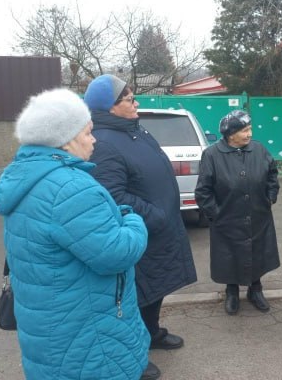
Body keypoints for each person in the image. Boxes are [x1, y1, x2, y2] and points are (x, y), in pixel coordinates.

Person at [0, 88, 150, 380]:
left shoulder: (25, 176)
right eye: (88, 132)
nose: (94, 139)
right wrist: (132, 219)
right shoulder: (70, 188)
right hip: (89, 337)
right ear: (66, 139)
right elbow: (116, 253)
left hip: (49, 327)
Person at [83, 74, 197, 380]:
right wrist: (155, 215)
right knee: (134, 296)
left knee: (155, 289)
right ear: (109, 107)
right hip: (142, 232)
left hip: (159, 231)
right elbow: (113, 195)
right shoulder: (104, 142)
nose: (136, 103)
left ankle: (152, 333)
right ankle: (134, 353)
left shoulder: (133, 129)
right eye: (129, 99)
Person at [194, 110, 280, 315]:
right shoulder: (212, 155)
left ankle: (255, 290)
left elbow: (272, 174)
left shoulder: (259, 149)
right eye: (245, 130)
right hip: (226, 218)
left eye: (250, 129)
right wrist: (216, 214)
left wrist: (270, 196)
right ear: (231, 134)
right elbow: (203, 190)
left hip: (258, 215)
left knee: (257, 253)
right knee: (229, 256)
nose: (250, 134)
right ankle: (231, 292)